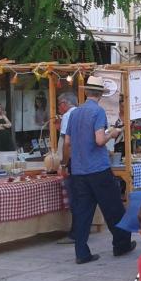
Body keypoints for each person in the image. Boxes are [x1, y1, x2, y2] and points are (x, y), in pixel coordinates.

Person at [62, 76, 135, 264]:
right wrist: (113, 133)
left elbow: (68, 142)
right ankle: (121, 244)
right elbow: (99, 140)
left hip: (79, 170)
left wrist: (66, 162)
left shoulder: (75, 113)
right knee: (113, 208)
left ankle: (81, 252)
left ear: (86, 92)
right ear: (101, 94)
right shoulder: (98, 112)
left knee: (82, 211)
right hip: (98, 168)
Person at [56, 92, 78, 245]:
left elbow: (66, 143)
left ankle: (75, 232)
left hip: (71, 162)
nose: (58, 108)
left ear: (64, 103)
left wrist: (63, 164)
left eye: (59, 104)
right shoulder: (80, 113)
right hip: (81, 161)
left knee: (74, 198)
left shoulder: (67, 116)